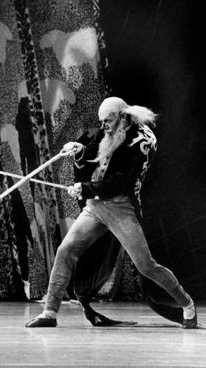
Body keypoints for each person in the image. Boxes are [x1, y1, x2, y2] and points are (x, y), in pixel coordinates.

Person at [26, 97, 197, 329]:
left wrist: (85, 188)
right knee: (65, 251)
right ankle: (49, 312)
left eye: (108, 121)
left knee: (145, 265)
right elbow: (94, 152)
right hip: (96, 206)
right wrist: (79, 150)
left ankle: (187, 304)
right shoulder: (110, 129)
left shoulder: (141, 141)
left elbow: (120, 182)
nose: (104, 126)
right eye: (102, 121)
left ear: (123, 117)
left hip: (120, 207)